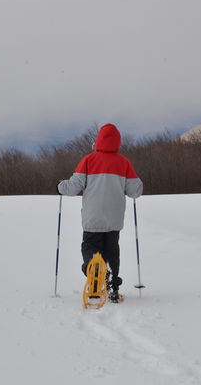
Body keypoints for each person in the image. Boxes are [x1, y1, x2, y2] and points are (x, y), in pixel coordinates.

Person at [57, 123, 143, 302]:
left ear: (98, 141)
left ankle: (93, 269)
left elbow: (73, 188)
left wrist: (60, 187)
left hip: (92, 218)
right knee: (112, 251)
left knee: (89, 247)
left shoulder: (88, 161)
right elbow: (135, 191)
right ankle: (112, 285)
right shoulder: (124, 163)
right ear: (117, 142)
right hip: (114, 219)